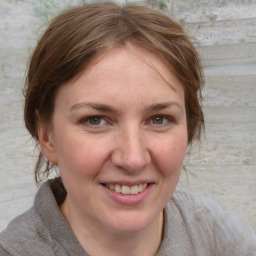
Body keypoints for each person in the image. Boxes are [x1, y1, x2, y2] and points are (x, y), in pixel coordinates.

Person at [0, 2, 255, 256]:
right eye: (95, 120)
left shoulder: (222, 239)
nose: (133, 159)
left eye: (158, 119)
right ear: (47, 137)